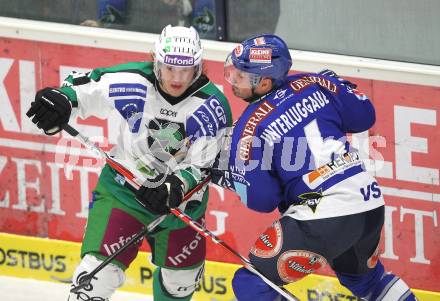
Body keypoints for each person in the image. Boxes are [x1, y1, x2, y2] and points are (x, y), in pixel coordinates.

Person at [26, 24, 232, 301]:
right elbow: (82, 89)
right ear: (156, 61)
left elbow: (208, 164)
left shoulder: (212, 106)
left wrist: (176, 187)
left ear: (198, 67)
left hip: (180, 206)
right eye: (170, 68)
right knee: (94, 280)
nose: (177, 78)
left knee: (180, 285)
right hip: (125, 192)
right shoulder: (132, 81)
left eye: (186, 70)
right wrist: (62, 100)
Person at [213, 34, 417, 301]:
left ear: (263, 83)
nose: (233, 81)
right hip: (368, 203)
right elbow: (364, 115)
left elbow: (262, 200)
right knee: (368, 281)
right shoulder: (315, 82)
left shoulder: (250, 126)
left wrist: (234, 177)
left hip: (322, 217)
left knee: (252, 284)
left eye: (240, 76)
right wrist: (337, 86)